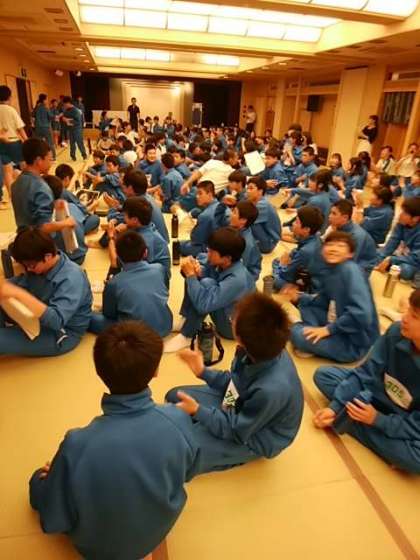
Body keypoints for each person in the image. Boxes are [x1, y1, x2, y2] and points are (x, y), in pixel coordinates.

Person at [29, 321, 199, 559]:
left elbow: (53, 519)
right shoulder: (178, 420)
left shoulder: (77, 443)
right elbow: (188, 471)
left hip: (98, 550)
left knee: (39, 480)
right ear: (155, 371)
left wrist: (52, 478)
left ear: (99, 371)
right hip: (158, 528)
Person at [165, 292, 304, 475]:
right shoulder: (260, 348)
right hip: (239, 403)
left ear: (240, 338)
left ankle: (232, 456)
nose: (231, 319)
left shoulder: (271, 389)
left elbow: (236, 429)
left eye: (233, 319)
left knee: (182, 451)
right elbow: (235, 383)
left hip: (254, 436)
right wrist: (203, 372)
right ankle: (210, 431)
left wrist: (199, 411)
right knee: (174, 396)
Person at [313, 288, 420, 474]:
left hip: (404, 418)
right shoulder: (396, 332)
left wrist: (377, 420)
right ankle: (353, 418)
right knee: (324, 376)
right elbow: (366, 372)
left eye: (415, 316)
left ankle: (349, 419)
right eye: (408, 310)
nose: (404, 318)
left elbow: (417, 427)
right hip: (374, 395)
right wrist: (335, 407)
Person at [286, 231, 379, 362]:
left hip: (354, 342)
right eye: (330, 244)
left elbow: (362, 314)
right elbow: (323, 300)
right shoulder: (332, 270)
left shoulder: (350, 270)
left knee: (297, 336)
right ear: (322, 250)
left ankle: (302, 330)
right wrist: (300, 297)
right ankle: (310, 334)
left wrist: (328, 330)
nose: (334, 249)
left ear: (350, 254)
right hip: (338, 320)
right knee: (306, 305)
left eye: (340, 246)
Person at [0, 228, 92, 356]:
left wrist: (18, 294)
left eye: (31, 266)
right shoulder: (39, 266)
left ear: (47, 257)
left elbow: (56, 321)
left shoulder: (72, 278)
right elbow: (22, 281)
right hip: (36, 319)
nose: (28, 269)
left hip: (61, 332)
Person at [164, 227, 255, 353]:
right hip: (226, 311)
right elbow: (203, 270)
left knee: (205, 283)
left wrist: (191, 276)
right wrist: (196, 270)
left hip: (234, 328)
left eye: (212, 251)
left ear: (227, 258)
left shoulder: (237, 279)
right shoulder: (224, 262)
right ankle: (186, 320)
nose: (208, 252)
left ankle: (187, 335)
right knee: (196, 278)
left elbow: (203, 306)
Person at [90, 231, 172, 337]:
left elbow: (109, 314)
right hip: (166, 326)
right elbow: (165, 291)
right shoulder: (159, 269)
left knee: (88, 317)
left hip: (135, 335)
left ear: (118, 256)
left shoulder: (114, 283)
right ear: (145, 252)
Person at [11, 138, 75, 234]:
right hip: (38, 241)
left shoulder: (17, 183)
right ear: (39, 160)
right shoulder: (41, 187)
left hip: (22, 236)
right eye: (49, 159)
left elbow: (29, 209)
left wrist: (52, 204)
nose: (51, 163)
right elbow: (42, 228)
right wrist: (66, 222)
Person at [115, 197, 171, 285]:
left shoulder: (145, 240)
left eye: (125, 215)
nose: (124, 218)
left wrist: (113, 237)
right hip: (153, 273)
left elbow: (124, 263)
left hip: (157, 281)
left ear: (135, 220)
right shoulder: (148, 226)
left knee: (116, 278)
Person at [272, 206, 324, 292]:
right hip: (306, 276)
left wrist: (282, 265)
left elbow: (285, 275)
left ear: (306, 229)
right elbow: (294, 252)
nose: (293, 224)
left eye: (296, 222)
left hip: (307, 286)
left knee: (275, 279)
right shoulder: (316, 236)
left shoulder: (306, 251)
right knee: (280, 260)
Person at [44, 175, 88, 265]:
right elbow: (84, 212)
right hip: (81, 255)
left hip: (63, 260)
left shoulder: (45, 214)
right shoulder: (70, 205)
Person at [375, 197, 420, 281]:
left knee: (406, 271)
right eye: (401, 211)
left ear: (416, 218)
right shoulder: (401, 224)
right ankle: (390, 266)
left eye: (405, 213)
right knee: (375, 253)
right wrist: (381, 258)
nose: (400, 215)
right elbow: (392, 243)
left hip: (414, 262)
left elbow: (415, 258)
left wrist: (391, 259)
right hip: (402, 255)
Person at [328, 199, 377, 276]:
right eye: (330, 212)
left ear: (345, 217)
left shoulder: (356, 236)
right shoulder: (337, 227)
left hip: (361, 267)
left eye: (334, 214)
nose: (329, 216)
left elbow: (349, 262)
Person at [180, 181, 225, 257]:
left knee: (178, 245)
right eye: (197, 194)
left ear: (209, 194)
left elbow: (196, 240)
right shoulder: (219, 205)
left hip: (210, 249)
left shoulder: (205, 215)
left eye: (200, 193)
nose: (197, 196)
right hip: (220, 246)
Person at [55, 163, 100, 235]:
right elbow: (84, 210)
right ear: (67, 178)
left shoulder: (53, 188)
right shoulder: (65, 193)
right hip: (70, 225)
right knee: (95, 218)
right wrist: (93, 205)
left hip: (57, 224)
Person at [0, 85, 27, 195]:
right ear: (9, 97)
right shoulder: (11, 110)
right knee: (25, 167)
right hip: (14, 142)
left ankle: (12, 196)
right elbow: (20, 128)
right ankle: (26, 189)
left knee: (7, 171)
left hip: (1, 143)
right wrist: (27, 141)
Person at [246, 176, 281, 254]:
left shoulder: (261, 205)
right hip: (268, 238)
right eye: (247, 188)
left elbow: (243, 219)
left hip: (268, 244)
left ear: (260, 191)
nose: (247, 191)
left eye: (251, 188)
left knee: (247, 222)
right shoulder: (256, 201)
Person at [61, 96, 87, 161]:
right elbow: (64, 117)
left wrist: (68, 120)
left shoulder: (75, 110)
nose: (64, 106)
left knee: (79, 143)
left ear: (68, 103)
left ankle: (84, 155)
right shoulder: (66, 110)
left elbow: (78, 121)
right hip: (70, 129)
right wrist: (63, 119)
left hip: (77, 129)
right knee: (72, 144)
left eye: (65, 104)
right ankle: (73, 156)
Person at [32, 93, 56, 160]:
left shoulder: (36, 108)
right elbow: (51, 116)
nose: (47, 101)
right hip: (45, 128)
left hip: (38, 128)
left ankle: (40, 157)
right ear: (44, 100)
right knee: (50, 143)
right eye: (46, 99)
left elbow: (32, 116)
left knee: (39, 144)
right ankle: (53, 157)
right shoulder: (46, 108)